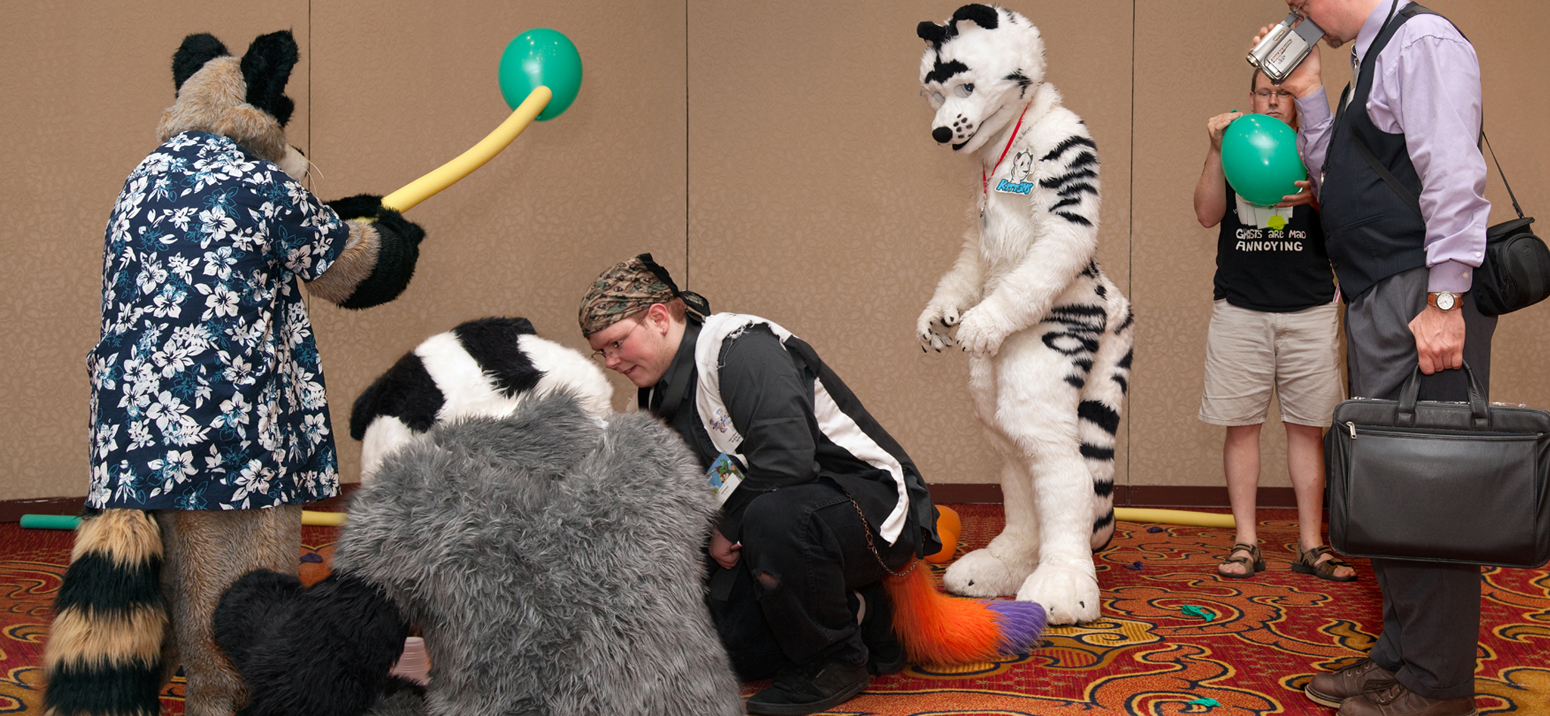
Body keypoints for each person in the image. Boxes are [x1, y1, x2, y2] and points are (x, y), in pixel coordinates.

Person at [578, 254, 940, 716]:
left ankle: (835, 660)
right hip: (781, 523)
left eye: (616, 343)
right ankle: (868, 614)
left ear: (659, 318)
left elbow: (787, 463)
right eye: (601, 352)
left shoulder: (741, 349)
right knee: (726, 645)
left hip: (870, 505)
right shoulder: (654, 390)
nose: (611, 361)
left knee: (775, 515)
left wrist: (726, 527)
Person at [1265, 1, 1494, 714]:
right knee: (1391, 489)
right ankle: (1402, 656)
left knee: (1428, 496)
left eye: (1298, 4)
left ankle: (1437, 684)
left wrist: (1446, 301)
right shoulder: (1369, 58)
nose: (1298, 16)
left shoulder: (1420, 40)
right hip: (1379, 293)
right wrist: (1310, 92)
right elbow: (1335, 178)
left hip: (1421, 296)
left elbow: (1454, 175)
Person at [1192, 68, 1355, 582]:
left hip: (1310, 309)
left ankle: (1312, 544)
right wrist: (1215, 151)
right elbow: (1206, 213)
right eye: (1265, 92)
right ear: (1251, 97)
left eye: (1284, 92)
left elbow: (1350, 224)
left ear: (1298, 99)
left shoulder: (1321, 150)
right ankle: (1246, 541)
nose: (1274, 101)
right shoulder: (1235, 147)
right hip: (1240, 309)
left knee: (1307, 430)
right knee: (1241, 427)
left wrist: (1314, 195)